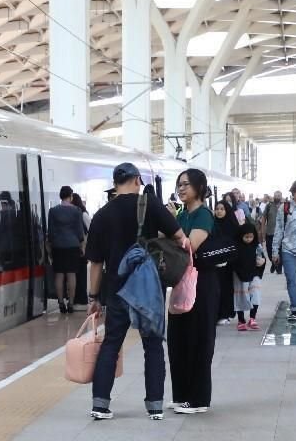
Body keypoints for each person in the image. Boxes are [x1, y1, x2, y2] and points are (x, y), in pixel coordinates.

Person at [85, 163, 183, 421]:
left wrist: (93, 298)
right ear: (138, 180)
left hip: (117, 289)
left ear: (115, 184)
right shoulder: (150, 204)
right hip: (148, 289)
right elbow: (180, 237)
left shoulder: (101, 214)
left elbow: (95, 263)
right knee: (152, 345)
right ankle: (155, 407)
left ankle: (100, 405)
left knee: (111, 344)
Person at [168, 169, 219, 415]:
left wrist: (171, 227)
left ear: (199, 187)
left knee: (199, 339)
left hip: (202, 284)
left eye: (186, 184)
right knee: (179, 338)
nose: (181, 188)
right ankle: (182, 395)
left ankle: (199, 399)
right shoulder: (181, 213)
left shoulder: (203, 215)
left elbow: (190, 246)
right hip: (182, 282)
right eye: (179, 184)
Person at [273, 180, 296, 323]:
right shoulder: (285, 208)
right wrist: (275, 251)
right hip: (288, 250)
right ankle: (295, 309)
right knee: (291, 279)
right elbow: (278, 230)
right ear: (293, 193)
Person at [47, 186, 86, 314]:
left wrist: (52, 245)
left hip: (58, 246)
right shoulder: (76, 211)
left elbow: (51, 232)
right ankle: (71, 303)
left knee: (59, 275)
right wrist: (81, 245)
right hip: (72, 246)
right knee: (71, 274)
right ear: (71, 196)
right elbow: (80, 232)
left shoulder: (53, 211)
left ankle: (60, 303)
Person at [232, 221, 264, 331]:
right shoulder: (236, 247)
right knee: (241, 295)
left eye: (251, 237)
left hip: (254, 273)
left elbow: (262, 257)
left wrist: (262, 261)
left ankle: (252, 318)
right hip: (239, 275)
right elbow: (233, 261)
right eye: (246, 237)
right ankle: (241, 320)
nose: (249, 239)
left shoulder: (256, 246)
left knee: (255, 294)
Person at [213, 201, 241, 325]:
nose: (219, 211)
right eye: (217, 209)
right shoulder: (212, 225)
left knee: (226, 288)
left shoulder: (233, 226)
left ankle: (225, 313)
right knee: (214, 289)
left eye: (222, 209)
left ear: (227, 211)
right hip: (214, 262)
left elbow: (237, 245)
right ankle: (215, 313)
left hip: (229, 263)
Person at [71, 193, 91, 306]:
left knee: (82, 273)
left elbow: (91, 229)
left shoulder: (83, 215)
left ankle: (82, 296)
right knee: (78, 272)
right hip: (77, 247)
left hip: (83, 247)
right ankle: (78, 296)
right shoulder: (76, 214)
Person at [264, 191, 284, 274]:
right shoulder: (269, 205)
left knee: (280, 251)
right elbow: (263, 218)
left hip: (281, 233)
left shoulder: (285, 206)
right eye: (276, 195)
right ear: (273, 196)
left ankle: (279, 267)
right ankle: (273, 263)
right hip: (270, 232)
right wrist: (262, 232)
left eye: (279, 195)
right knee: (269, 251)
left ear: (281, 197)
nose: (277, 197)